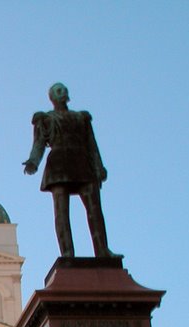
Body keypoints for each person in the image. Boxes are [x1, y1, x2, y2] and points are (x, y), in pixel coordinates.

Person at [24, 82, 120, 260]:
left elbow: (91, 144)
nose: (62, 93)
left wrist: (98, 166)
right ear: (52, 97)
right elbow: (39, 143)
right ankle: (67, 253)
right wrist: (33, 162)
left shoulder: (81, 117)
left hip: (82, 163)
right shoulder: (45, 119)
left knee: (95, 210)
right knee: (61, 213)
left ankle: (103, 250)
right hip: (59, 164)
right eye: (58, 91)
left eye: (64, 90)